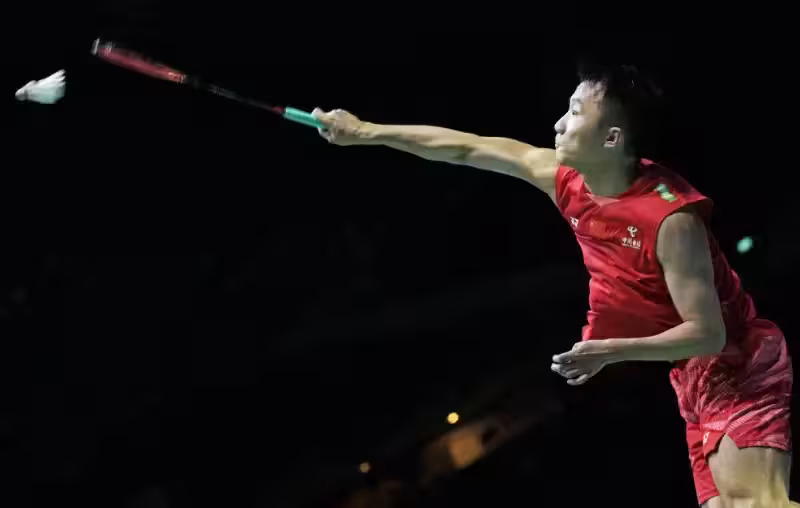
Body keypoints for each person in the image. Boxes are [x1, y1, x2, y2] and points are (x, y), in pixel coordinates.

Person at [310, 62, 796, 507]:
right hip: (688, 374)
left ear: (611, 139)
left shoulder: (671, 219)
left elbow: (709, 333)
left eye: (576, 112)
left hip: (739, 364)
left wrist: (610, 351)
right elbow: (465, 146)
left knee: (756, 505)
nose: (560, 123)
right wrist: (365, 132)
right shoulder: (564, 180)